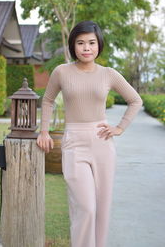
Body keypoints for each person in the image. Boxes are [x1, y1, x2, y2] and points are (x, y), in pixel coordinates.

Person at [36, 20, 143, 247]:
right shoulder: (61, 72)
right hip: (74, 142)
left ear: (99, 45)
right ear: (73, 46)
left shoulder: (109, 73)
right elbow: (47, 100)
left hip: (102, 143)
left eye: (92, 43)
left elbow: (135, 100)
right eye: (81, 43)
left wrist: (119, 128)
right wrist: (44, 131)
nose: (86, 48)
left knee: (102, 207)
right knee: (85, 207)